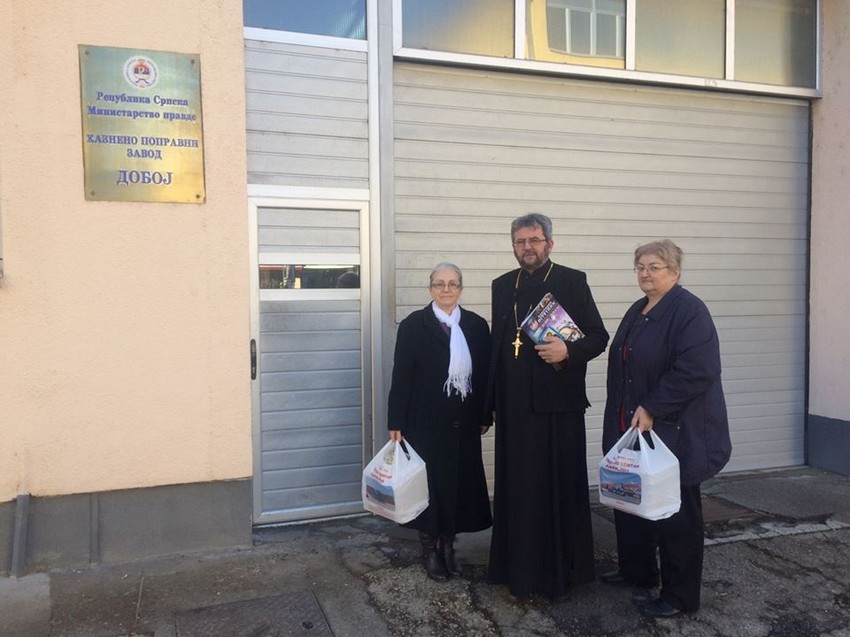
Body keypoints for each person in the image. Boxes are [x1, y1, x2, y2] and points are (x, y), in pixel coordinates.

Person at [601, 239, 732, 618]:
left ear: (674, 271)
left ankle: (679, 596)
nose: (645, 273)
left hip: (676, 432)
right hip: (634, 428)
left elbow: (698, 370)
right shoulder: (639, 309)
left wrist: (653, 406)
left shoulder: (689, 312)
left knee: (676, 517)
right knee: (631, 501)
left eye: (654, 266)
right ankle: (637, 571)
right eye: (640, 266)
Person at [487, 213, 609, 599]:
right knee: (519, 490)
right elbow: (496, 348)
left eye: (535, 240)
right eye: (520, 241)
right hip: (514, 410)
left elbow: (598, 336)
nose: (528, 247)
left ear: (549, 244)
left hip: (558, 408)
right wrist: (489, 404)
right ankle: (517, 570)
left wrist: (568, 351)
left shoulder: (572, 281)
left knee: (556, 489)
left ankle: (558, 574)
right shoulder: (502, 285)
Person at [387, 262, 493, 581]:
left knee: (457, 486)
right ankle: (430, 550)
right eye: (439, 284)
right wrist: (396, 421)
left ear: (461, 288)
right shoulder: (413, 325)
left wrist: (485, 414)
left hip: (463, 422)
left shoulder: (476, 326)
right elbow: (401, 376)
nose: (446, 289)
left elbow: (484, 375)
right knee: (430, 487)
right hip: (424, 422)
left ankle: (448, 546)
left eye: (452, 284)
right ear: (430, 288)